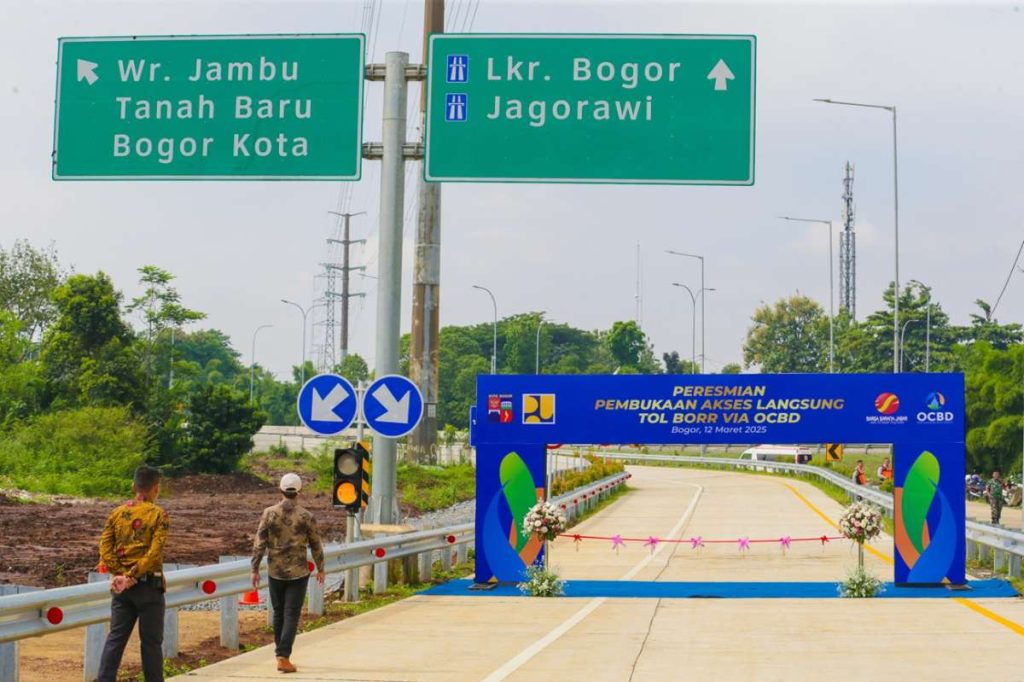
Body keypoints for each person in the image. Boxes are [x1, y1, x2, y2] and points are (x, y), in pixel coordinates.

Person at [97, 465, 169, 682]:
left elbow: (104, 549)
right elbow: (154, 552)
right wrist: (133, 575)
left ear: (133, 487)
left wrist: (120, 575)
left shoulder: (117, 514)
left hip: (121, 589)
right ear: (155, 488)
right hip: (148, 587)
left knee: (115, 639)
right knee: (151, 644)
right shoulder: (158, 515)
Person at [251, 473, 326, 674]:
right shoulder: (306, 516)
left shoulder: (269, 513)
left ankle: (280, 655)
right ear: (299, 492)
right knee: (291, 614)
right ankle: (283, 656)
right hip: (299, 572)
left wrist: (254, 568)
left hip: (275, 570)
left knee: (279, 613)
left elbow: (260, 543)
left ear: (280, 491)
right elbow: (316, 544)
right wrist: (321, 568)